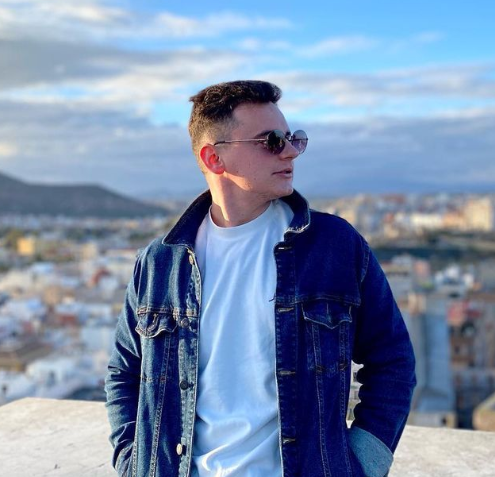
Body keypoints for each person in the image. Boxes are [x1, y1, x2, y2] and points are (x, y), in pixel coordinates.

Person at [105, 80, 416, 477]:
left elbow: (393, 361)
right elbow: (124, 372)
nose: (290, 151)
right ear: (214, 158)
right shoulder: (159, 263)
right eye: (271, 141)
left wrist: (363, 465)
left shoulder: (333, 247)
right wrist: (132, 463)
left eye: (292, 138)